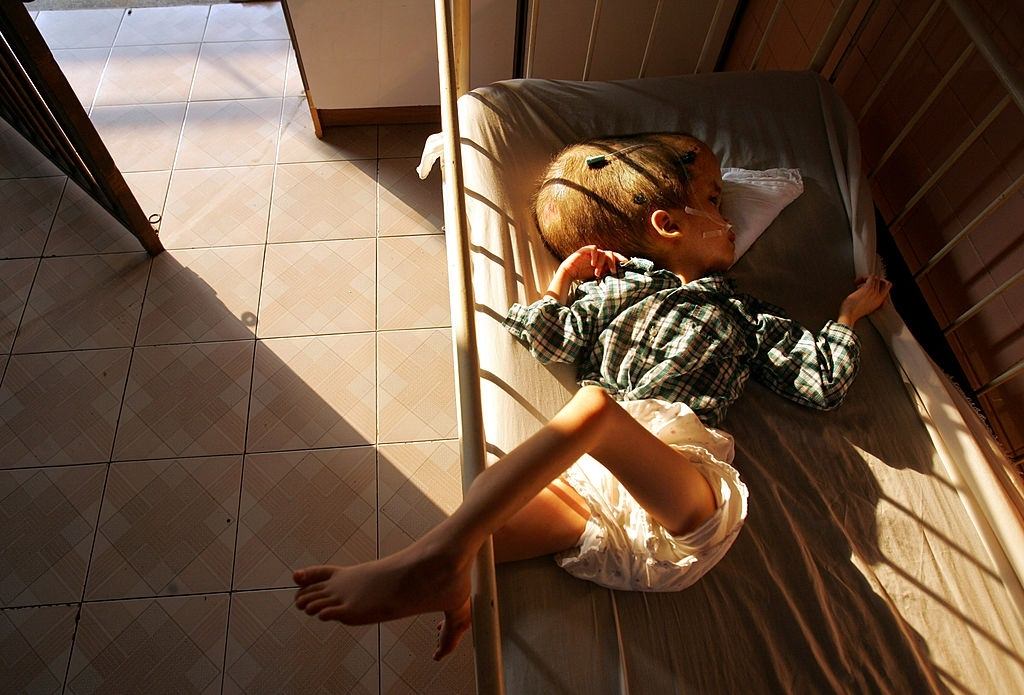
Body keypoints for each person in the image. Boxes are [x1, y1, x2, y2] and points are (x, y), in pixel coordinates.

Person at [292, 133, 891, 661]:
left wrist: (845, 318)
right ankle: (449, 565)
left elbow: (821, 382)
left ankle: (432, 558)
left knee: (592, 412)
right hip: (599, 513)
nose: (728, 216)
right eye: (713, 202)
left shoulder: (744, 311)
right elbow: (551, 339)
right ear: (669, 224)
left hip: (681, 495)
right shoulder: (620, 289)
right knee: (501, 492)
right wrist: (562, 284)